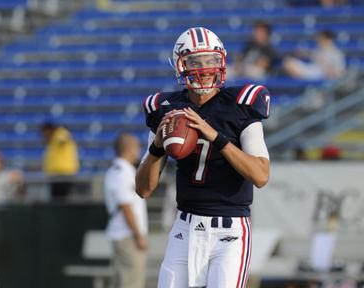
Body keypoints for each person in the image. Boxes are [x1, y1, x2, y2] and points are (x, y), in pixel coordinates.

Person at [136, 27, 270, 288]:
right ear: (180, 65)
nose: (205, 68)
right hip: (185, 227)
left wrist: (216, 137)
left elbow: (261, 175)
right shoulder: (167, 109)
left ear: (221, 61)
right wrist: (157, 147)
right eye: (195, 62)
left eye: (211, 60)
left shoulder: (242, 105)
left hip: (229, 232)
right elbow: (143, 189)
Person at [104, 133, 148, 288]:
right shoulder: (123, 172)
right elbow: (126, 206)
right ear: (129, 148)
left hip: (123, 234)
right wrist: (138, 235)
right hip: (127, 235)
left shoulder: (118, 170)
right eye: (137, 146)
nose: (138, 151)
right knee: (132, 280)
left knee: (122, 279)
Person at [40, 122, 79, 199]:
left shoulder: (59, 134)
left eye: (44, 132)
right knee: (56, 200)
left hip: (64, 175)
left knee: (63, 201)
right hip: (55, 175)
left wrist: (60, 134)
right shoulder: (51, 142)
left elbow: (65, 137)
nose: (43, 136)